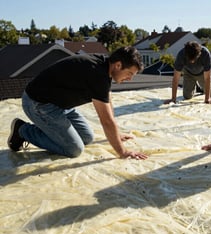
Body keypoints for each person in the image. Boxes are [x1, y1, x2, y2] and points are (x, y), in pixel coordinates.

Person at [8, 46, 148, 160]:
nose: (130, 79)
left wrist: (116, 134)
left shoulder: (105, 66)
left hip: (61, 105)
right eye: (129, 73)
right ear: (118, 65)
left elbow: (107, 100)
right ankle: (22, 130)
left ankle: (48, 131)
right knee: (74, 149)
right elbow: (106, 120)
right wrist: (123, 152)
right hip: (39, 104)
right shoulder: (97, 74)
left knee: (87, 138)